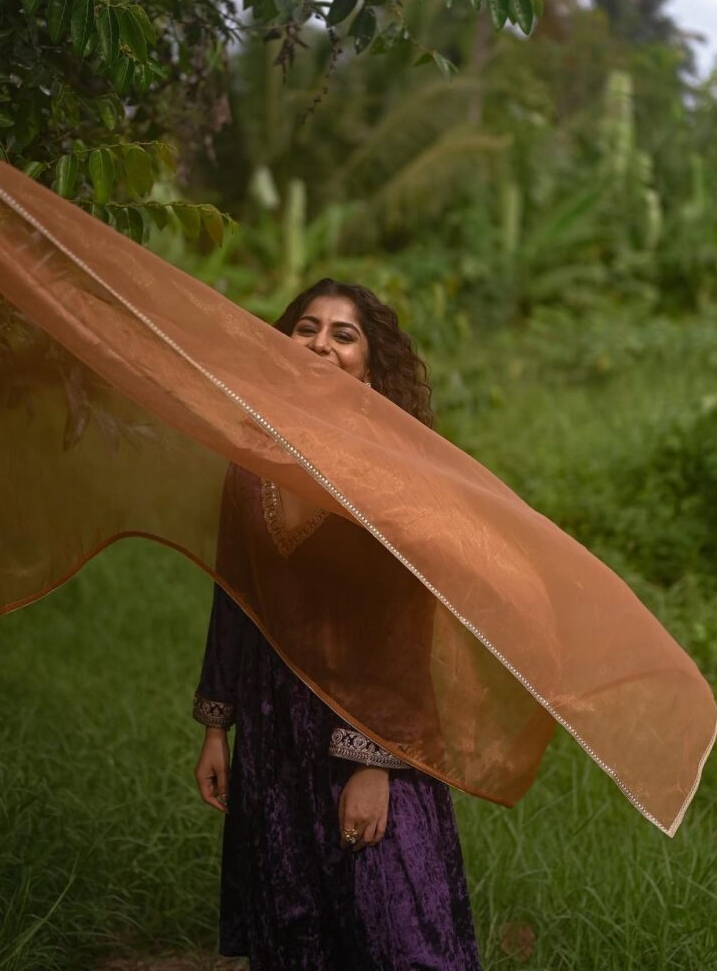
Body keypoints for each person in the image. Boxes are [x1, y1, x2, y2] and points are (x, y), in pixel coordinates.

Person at [191, 279, 483, 970]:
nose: (321, 343)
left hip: (369, 719)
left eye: (343, 334)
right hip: (271, 727)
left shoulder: (392, 475)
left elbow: (403, 626)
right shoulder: (251, 460)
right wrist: (215, 726)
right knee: (295, 926)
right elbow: (231, 596)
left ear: (370, 365)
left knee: (398, 929)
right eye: (305, 328)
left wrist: (372, 764)